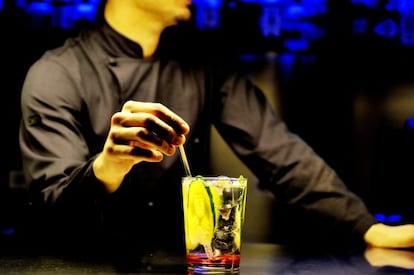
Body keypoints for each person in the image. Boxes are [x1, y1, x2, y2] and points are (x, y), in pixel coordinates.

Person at [19, 0, 414, 264]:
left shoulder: (204, 65)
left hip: (183, 264)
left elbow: (279, 153)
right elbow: (54, 209)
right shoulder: (56, 74)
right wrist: (107, 167)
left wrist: (367, 227)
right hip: (81, 265)